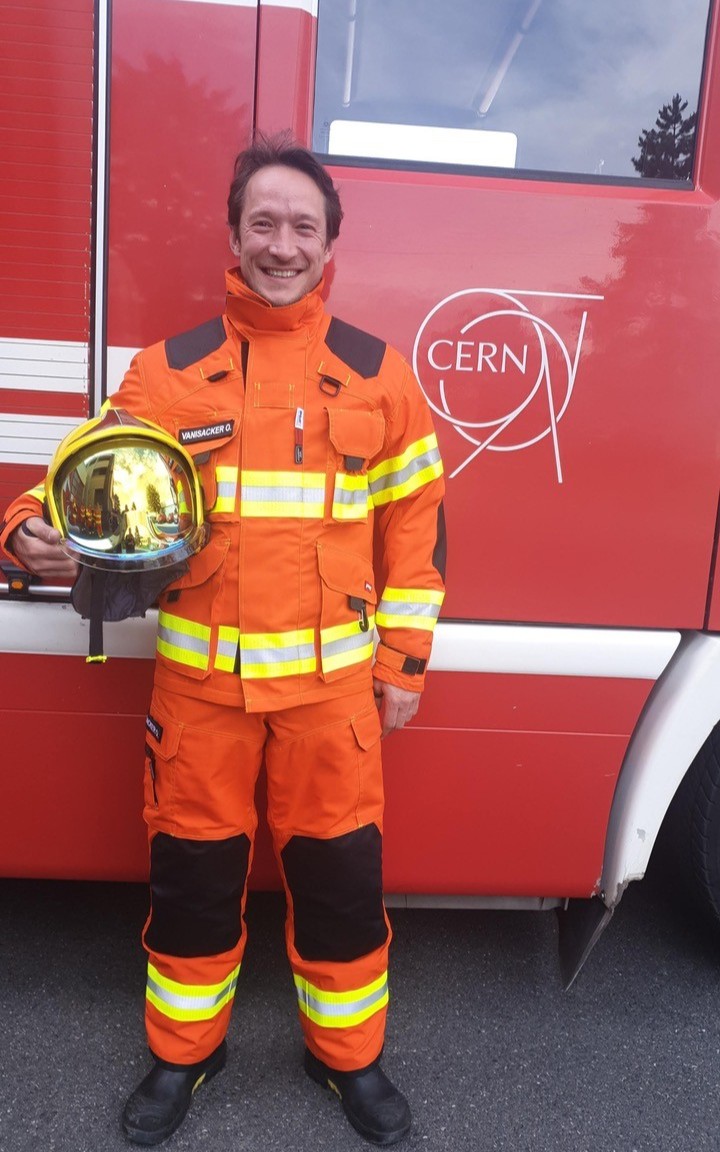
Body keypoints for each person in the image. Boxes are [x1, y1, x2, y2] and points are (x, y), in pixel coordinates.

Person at [0, 133, 446, 1147]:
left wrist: (405, 665)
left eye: (302, 225)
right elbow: (76, 475)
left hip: (334, 705)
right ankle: (183, 1058)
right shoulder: (169, 374)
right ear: (234, 237)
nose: (282, 244)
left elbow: (416, 531)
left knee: (341, 891)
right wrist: (26, 529)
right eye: (263, 223)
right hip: (198, 697)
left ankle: (349, 1061)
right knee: (192, 890)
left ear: (331, 240)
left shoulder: (383, 377)